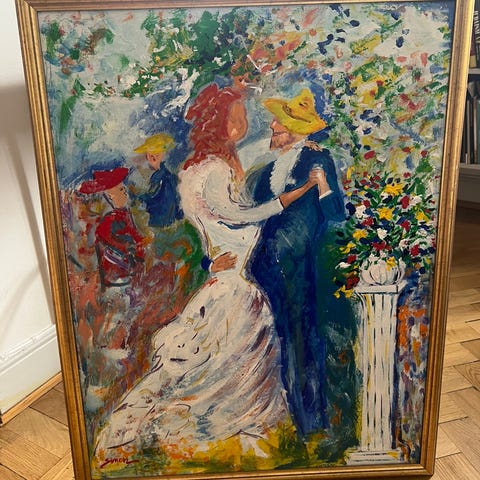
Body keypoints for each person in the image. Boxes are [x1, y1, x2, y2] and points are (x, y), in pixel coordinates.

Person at [93, 83, 326, 466]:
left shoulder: (205, 166)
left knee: (232, 354)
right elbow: (234, 215)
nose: (247, 123)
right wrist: (288, 198)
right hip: (230, 276)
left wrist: (300, 142)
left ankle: (238, 431)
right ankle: (212, 431)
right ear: (223, 125)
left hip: (229, 270)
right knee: (229, 351)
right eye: (238, 117)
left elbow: (241, 178)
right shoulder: (214, 170)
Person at [247, 88, 346, 437]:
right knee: (271, 337)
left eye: (278, 124)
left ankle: (310, 420)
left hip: (299, 267)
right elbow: (257, 213)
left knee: (301, 337)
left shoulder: (318, 160)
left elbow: (336, 213)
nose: (272, 127)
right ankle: (279, 420)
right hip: (263, 265)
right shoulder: (267, 170)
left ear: (295, 130)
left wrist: (323, 185)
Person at [79, 166, 146, 288]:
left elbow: (134, 234)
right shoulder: (110, 219)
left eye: (123, 188)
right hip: (117, 273)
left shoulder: (125, 213)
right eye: (120, 190)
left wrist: (140, 243)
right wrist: (128, 246)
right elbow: (102, 237)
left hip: (130, 268)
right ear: (111, 197)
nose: (125, 192)